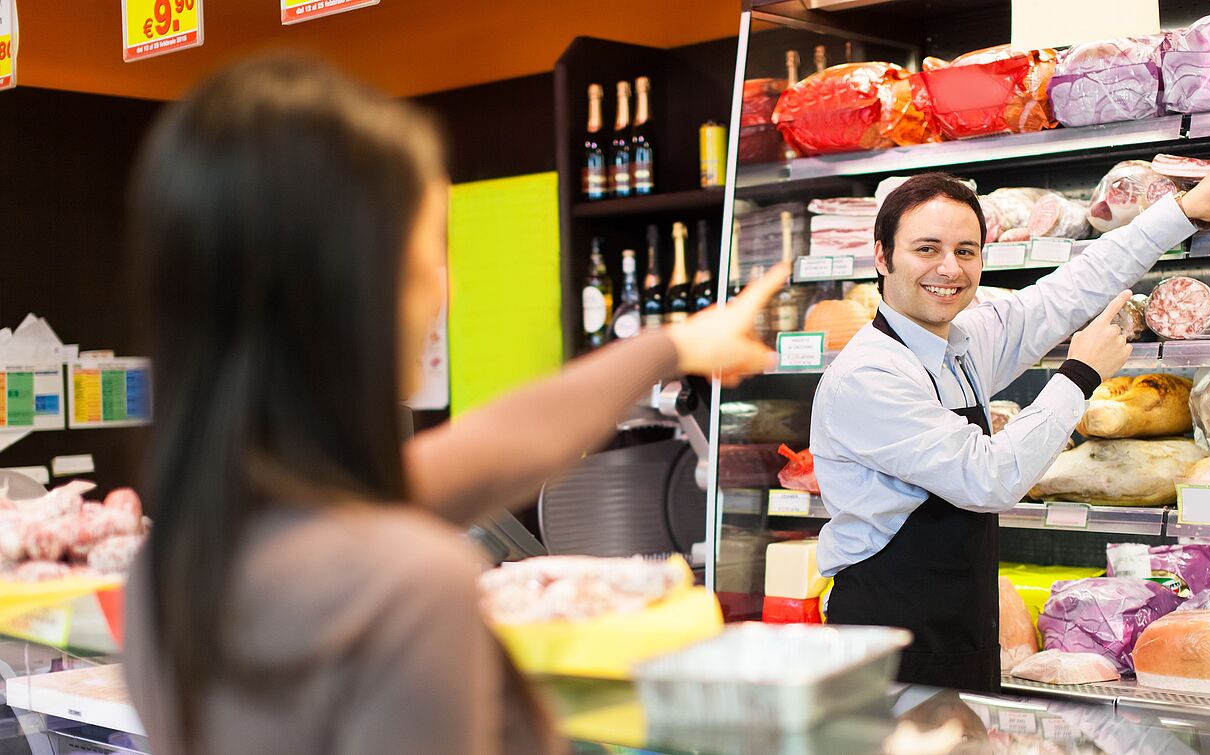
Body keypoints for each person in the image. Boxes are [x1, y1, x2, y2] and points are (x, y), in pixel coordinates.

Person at [123, 56, 787, 755]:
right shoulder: (405, 586)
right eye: (421, 254)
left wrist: (673, 345)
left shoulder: (179, 556)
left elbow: (493, 444)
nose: (443, 292)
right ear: (344, 287)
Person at [812, 161, 1210, 693]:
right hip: (887, 639)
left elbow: (1066, 291)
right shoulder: (870, 375)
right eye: (926, 249)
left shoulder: (959, 344)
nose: (950, 268)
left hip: (962, 624)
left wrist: (1183, 210)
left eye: (966, 251)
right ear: (882, 256)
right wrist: (1079, 374)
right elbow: (986, 480)